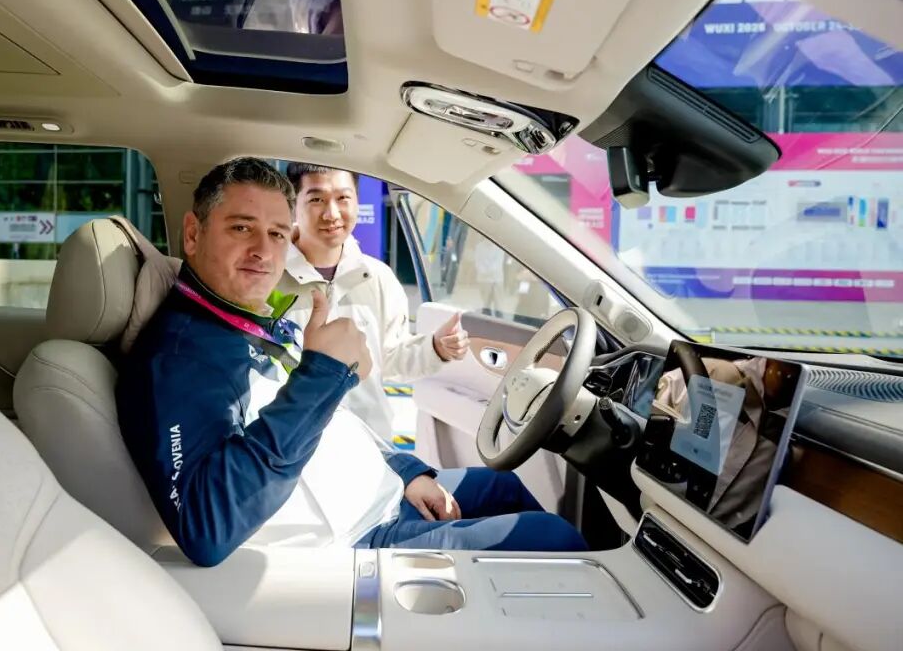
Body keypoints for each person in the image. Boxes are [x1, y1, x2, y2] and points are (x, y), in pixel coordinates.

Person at [116, 158, 586, 567]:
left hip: (380, 491)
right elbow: (206, 527)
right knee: (553, 539)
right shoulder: (177, 359)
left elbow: (330, 421)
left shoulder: (242, 322)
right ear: (193, 234)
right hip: (357, 538)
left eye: (277, 234)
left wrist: (404, 472)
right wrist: (321, 372)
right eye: (241, 228)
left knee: (505, 488)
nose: (263, 250)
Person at [278, 163, 466, 440]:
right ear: (294, 205)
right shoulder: (269, 277)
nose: (332, 214)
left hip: (369, 442)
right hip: (293, 445)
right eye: (317, 199)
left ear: (357, 200)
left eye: (343, 198)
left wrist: (435, 348)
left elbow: (390, 358)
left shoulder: (378, 277)